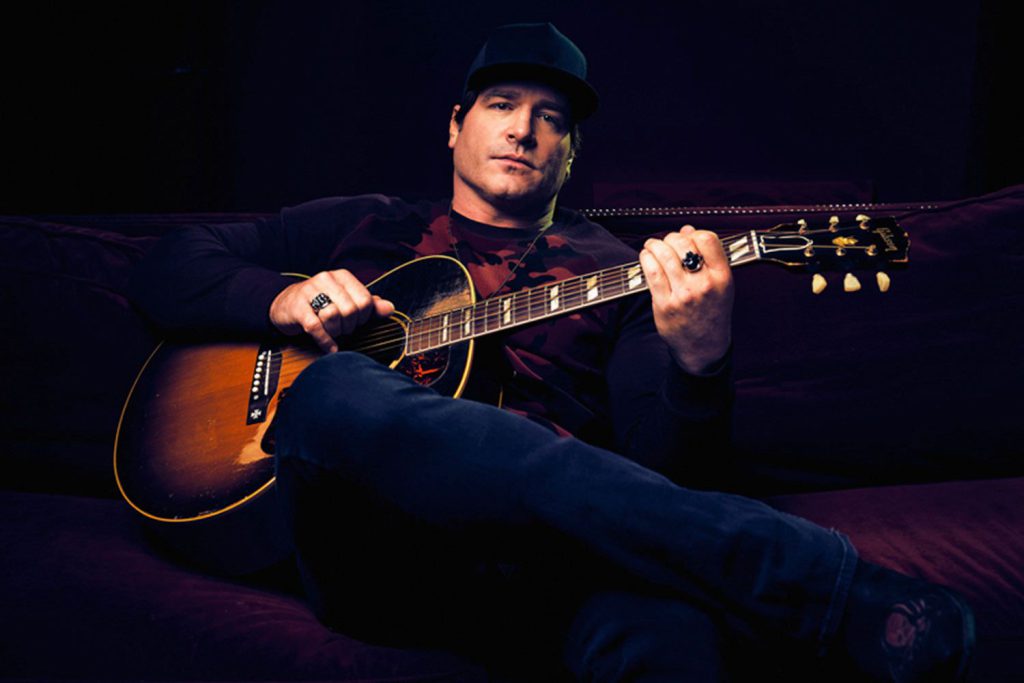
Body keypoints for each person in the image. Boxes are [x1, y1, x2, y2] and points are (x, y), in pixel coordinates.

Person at [130, 22, 975, 682]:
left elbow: (663, 475)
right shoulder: (365, 222)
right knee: (336, 390)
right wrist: (279, 297)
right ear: (455, 125)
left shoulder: (625, 273)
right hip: (374, 541)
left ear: (571, 154)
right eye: (502, 105)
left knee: (670, 632)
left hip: (543, 562)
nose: (524, 130)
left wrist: (699, 365)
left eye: (552, 119)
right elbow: (166, 265)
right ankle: (817, 582)